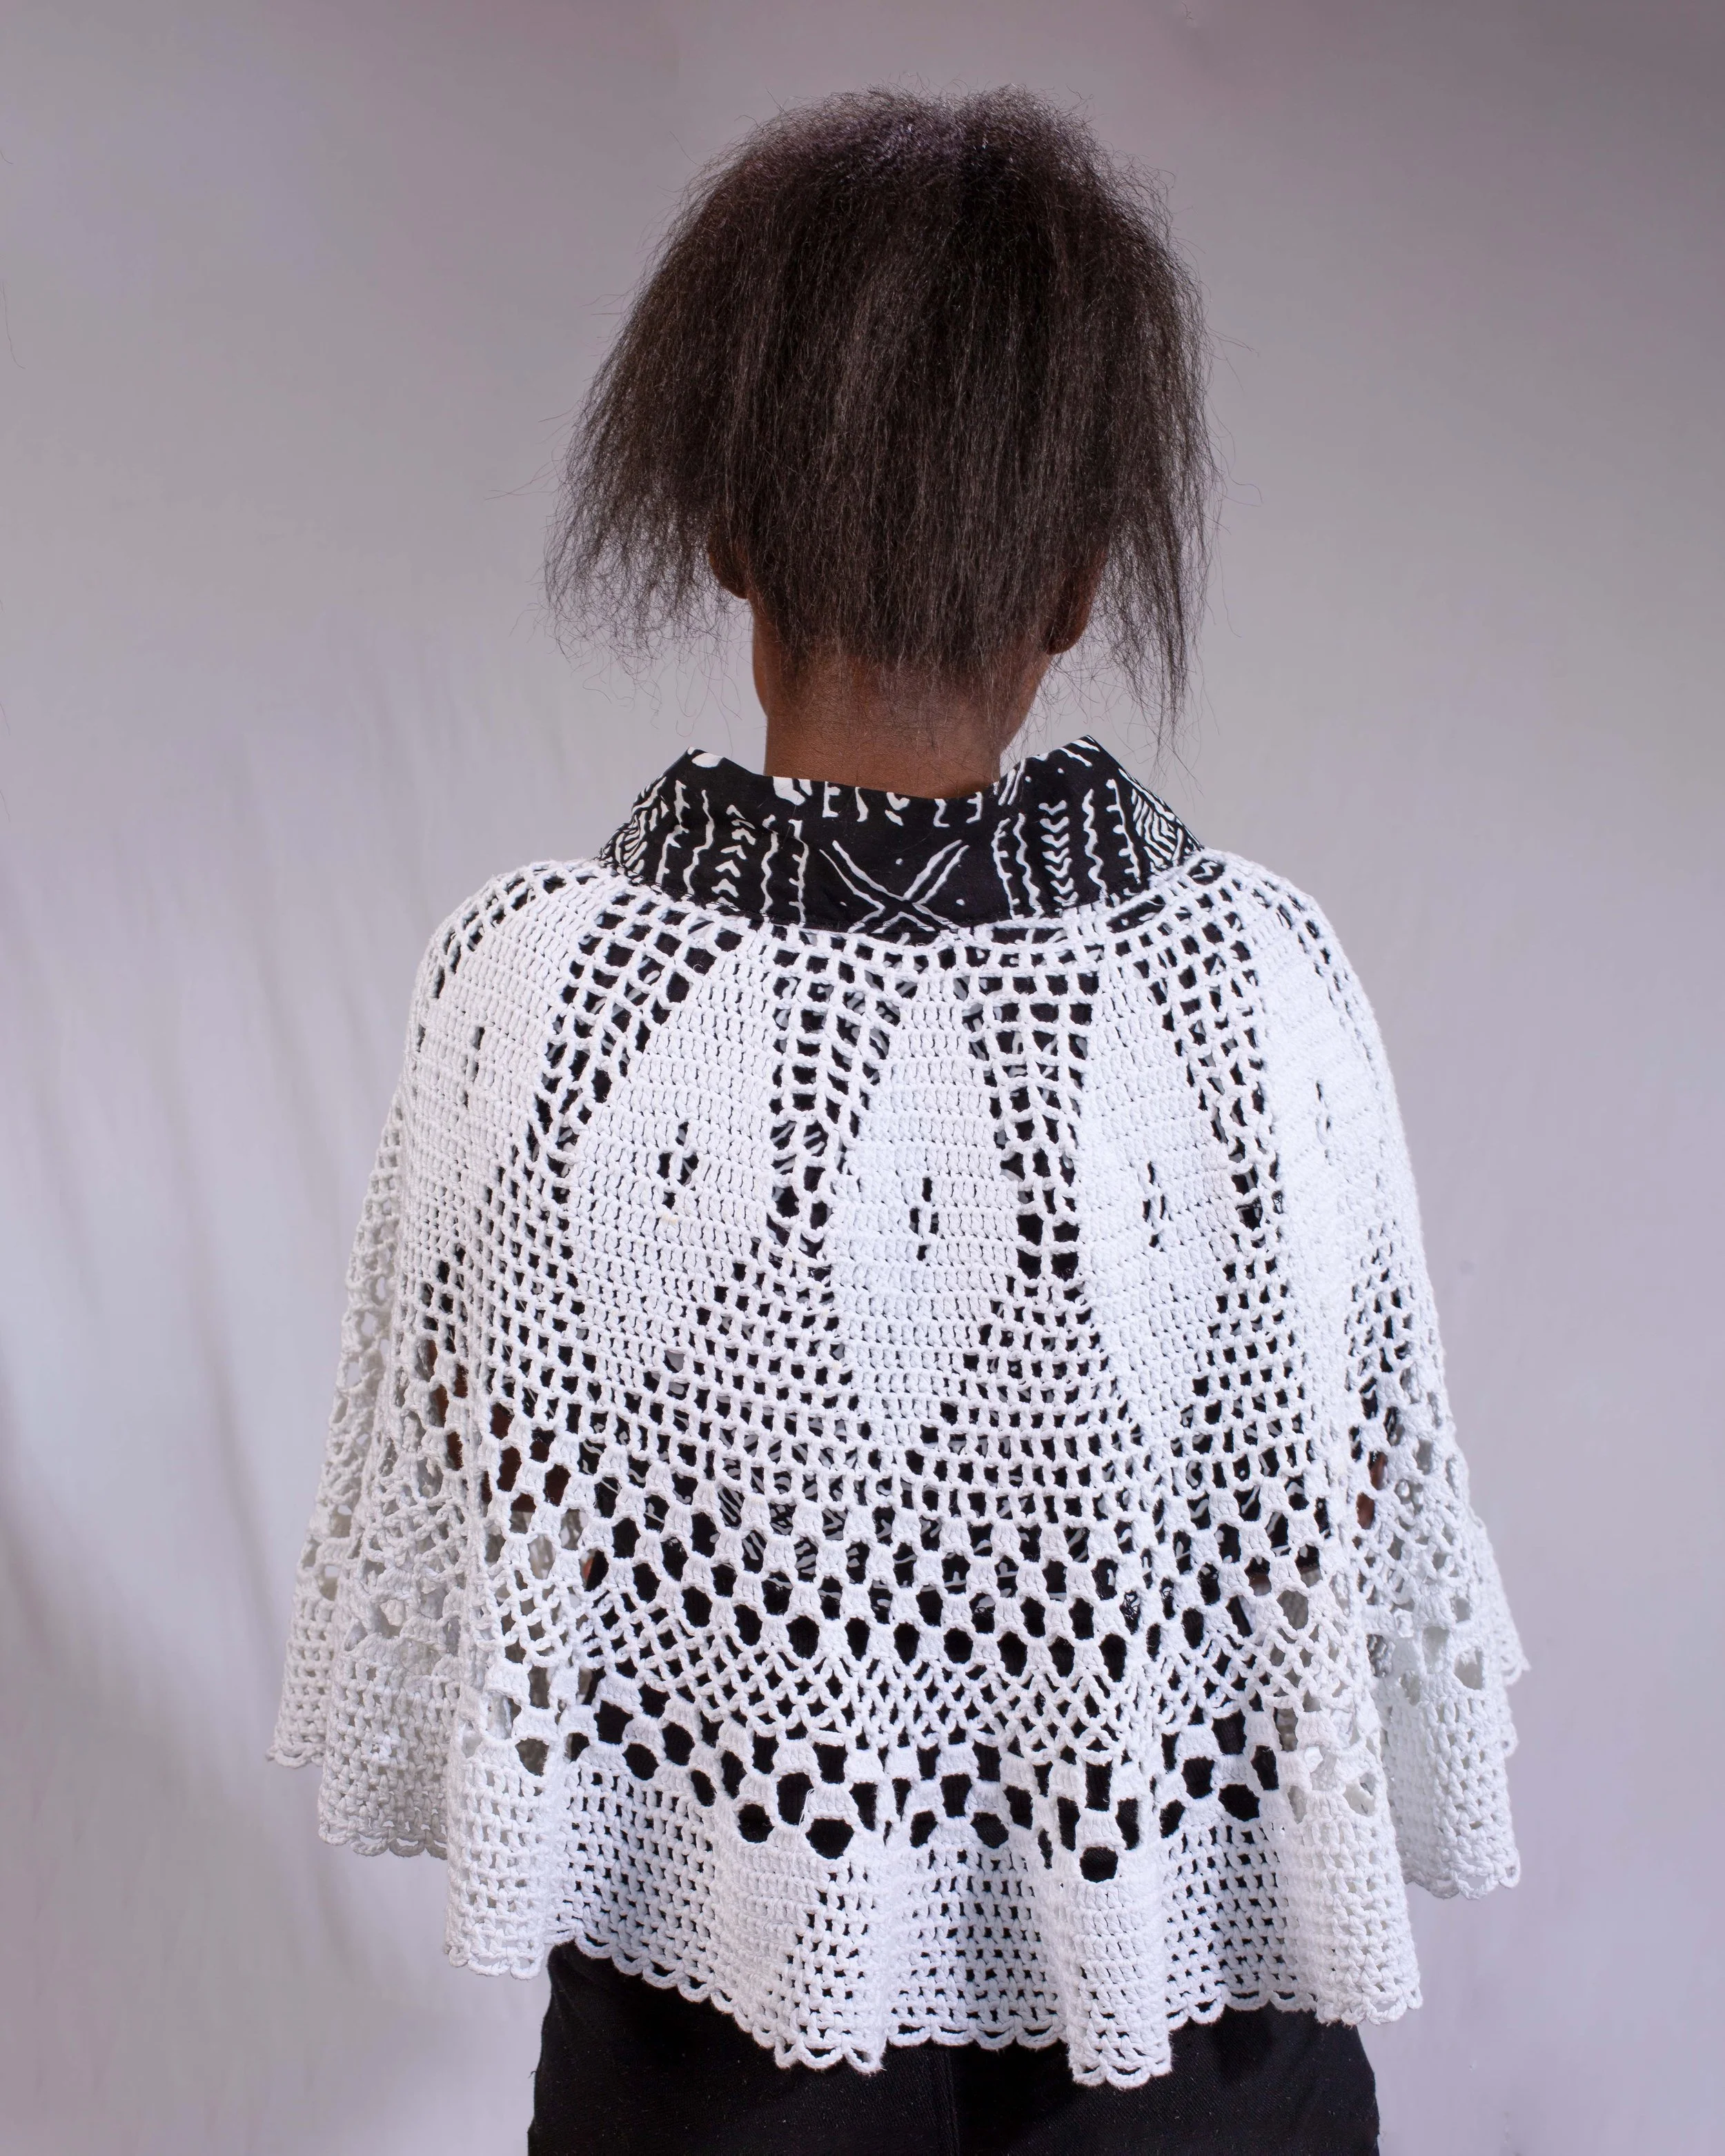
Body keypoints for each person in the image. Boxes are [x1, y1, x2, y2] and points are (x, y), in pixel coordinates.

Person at [271, 88, 1524, 2155]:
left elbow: (505, 1521)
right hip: (1189, 2070)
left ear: (721, 533)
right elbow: (1346, 1518)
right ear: (1080, 583)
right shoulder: (1264, 994)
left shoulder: (527, 1001)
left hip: (710, 2059)